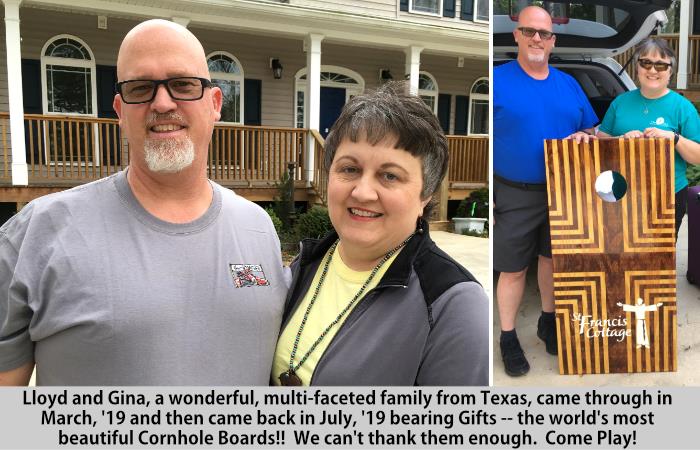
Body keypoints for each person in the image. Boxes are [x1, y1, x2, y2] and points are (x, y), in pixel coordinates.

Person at [0, 20, 288, 385]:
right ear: (120, 110)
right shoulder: (38, 233)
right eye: (141, 88)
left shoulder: (258, 227)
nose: (163, 103)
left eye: (183, 84)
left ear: (215, 104)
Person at [272, 82, 488, 386]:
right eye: (349, 169)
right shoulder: (307, 264)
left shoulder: (452, 303)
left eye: (389, 176)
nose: (362, 192)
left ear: (425, 195)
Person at [493, 5, 598, 377]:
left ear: (553, 41)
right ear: (516, 36)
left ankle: (548, 321)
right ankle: (507, 337)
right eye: (530, 31)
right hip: (515, 193)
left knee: (552, 261)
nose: (538, 38)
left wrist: (587, 136)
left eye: (545, 33)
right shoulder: (496, 80)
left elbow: (591, 130)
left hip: (566, 191)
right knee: (513, 268)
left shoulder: (568, 83)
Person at [596, 37, 700, 237]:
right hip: (619, 192)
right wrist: (621, 140)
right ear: (637, 67)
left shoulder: (682, 107)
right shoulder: (620, 102)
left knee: (658, 259)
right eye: (646, 63)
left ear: (670, 70)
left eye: (661, 65)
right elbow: (599, 143)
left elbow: (697, 156)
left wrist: (673, 137)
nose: (653, 70)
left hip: (667, 194)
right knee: (619, 252)